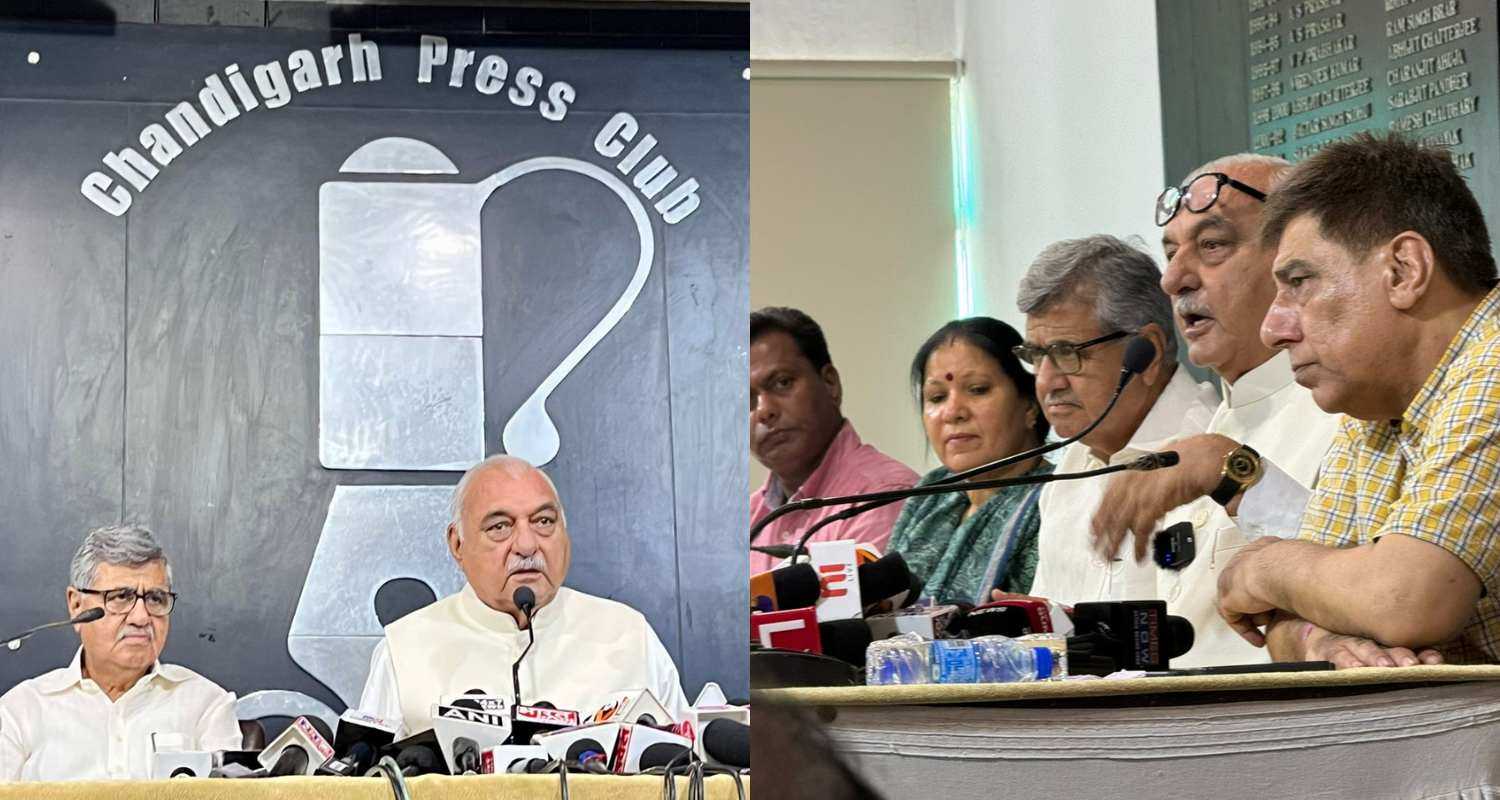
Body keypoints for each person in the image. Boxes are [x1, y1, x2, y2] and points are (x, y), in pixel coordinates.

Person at [1217, 132, 1500, 668]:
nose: (1273, 329)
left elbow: (1406, 600)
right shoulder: (1375, 406)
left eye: (1300, 281)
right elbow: (1285, 624)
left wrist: (1262, 566)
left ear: (1404, 270)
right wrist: (1318, 642)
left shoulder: (1494, 361)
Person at [1088, 154, 1341, 611]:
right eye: (1169, 253)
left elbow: (1364, 582)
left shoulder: (1351, 410)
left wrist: (1233, 473)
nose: (1172, 279)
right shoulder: (1198, 437)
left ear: (1293, 261)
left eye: (1211, 246)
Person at [1015, 234, 1255, 667]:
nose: (1047, 381)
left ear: (1146, 354)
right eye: (1036, 356)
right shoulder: (1070, 465)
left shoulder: (1216, 452)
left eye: (1067, 353)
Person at [359, 455, 689, 735]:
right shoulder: (405, 649)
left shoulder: (628, 635)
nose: (527, 545)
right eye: (500, 527)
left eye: (544, 521)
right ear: (457, 544)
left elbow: (691, 771)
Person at [0, 525, 242, 781]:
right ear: (76, 605)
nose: (141, 617)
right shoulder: (19, 712)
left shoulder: (206, 706)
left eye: (155, 599)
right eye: (120, 597)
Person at [887, 317, 1053, 603]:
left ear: (1030, 404)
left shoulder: (1054, 500)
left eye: (977, 389)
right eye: (937, 397)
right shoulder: (930, 494)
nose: (953, 412)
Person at [749, 307, 918, 573]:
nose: (763, 410)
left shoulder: (883, 495)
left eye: (782, 383)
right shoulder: (747, 519)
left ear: (830, 383)